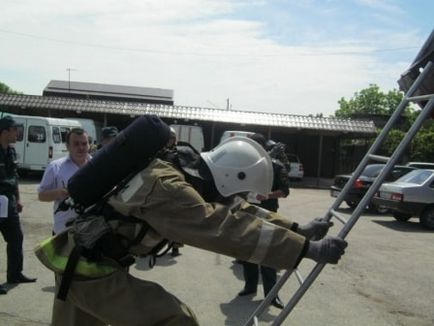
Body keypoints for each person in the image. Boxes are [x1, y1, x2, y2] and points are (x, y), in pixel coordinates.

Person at [34, 119, 347, 326]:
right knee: (175, 321)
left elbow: (238, 212)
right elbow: (222, 227)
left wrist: (297, 231)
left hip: (82, 264)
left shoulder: (185, 172)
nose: (239, 196)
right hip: (90, 271)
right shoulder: (170, 189)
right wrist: (306, 249)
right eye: (239, 189)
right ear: (231, 177)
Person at [238, 133, 292, 309]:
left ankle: (272, 295)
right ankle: (249, 286)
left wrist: (267, 195)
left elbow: (284, 191)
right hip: (247, 211)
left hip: (268, 212)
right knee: (247, 250)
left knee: (267, 253)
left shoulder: (276, 166)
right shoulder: (245, 164)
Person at [0, 116, 36, 294]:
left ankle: (15, 274)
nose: (18, 133)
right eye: (15, 130)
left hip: (9, 203)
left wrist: (18, 199)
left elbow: (14, 178)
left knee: (16, 238)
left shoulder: (11, 152)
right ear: (5, 131)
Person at [37, 128, 91, 234]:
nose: (81, 148)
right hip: (63, 231)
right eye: (76, 144)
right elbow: (41, 195)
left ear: (89, 145)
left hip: (90, 230)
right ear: (67, 146)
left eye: (84, 144)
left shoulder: (96, 166)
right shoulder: (55, 167)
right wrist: (60, 192)